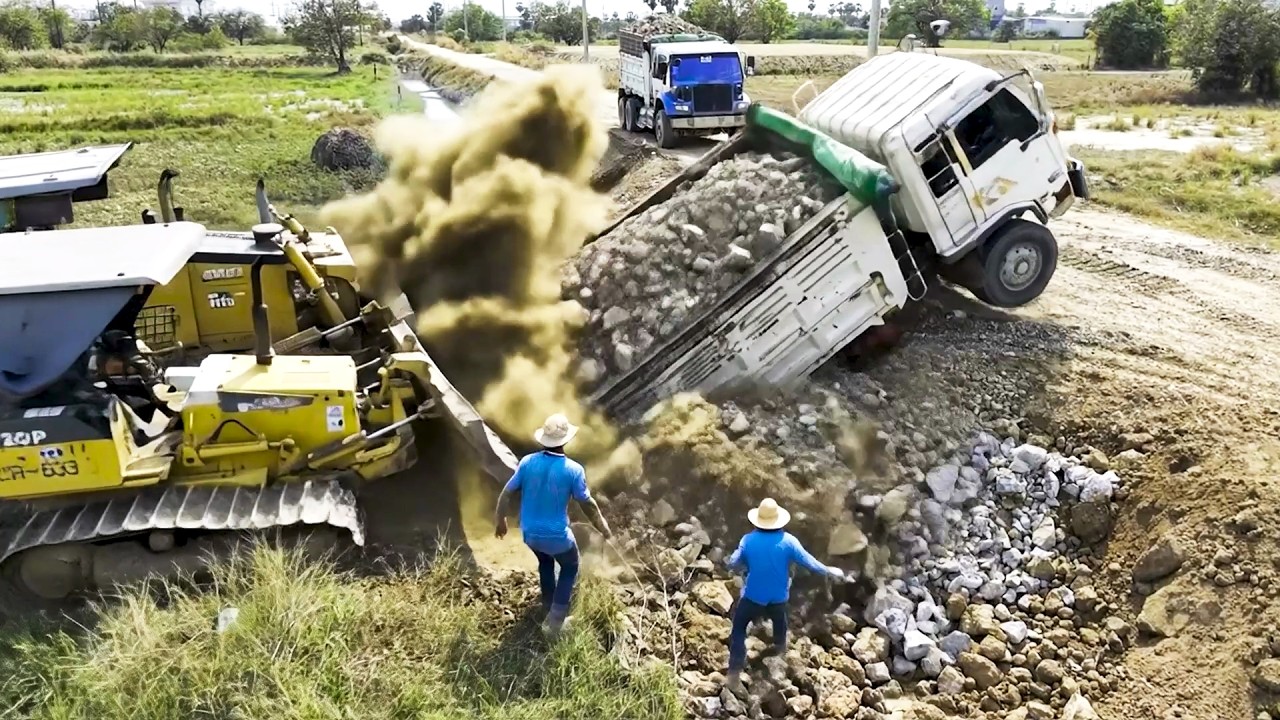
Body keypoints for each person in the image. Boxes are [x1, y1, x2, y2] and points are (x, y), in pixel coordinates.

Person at [494, 412, 612, 635]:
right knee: (570, 567)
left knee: (546, 563)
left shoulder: (527, 462)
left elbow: (506, 493)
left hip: (529, 534)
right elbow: (587, 504)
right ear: (566, 440)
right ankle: (555, 625)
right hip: (556, 535)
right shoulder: (574, 470)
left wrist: (500, 521)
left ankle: (548, 606)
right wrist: (603, 528)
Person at [724, 497, 845, 688]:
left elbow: (732, 562)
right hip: (778, 598)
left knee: (739, 628)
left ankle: (733, 673)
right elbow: (810, 563)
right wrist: (829, 570)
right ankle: (780, 654)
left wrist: (731, 562)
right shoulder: (789, 541)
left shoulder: (748, 540)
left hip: (753, 597)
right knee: (780, 622)